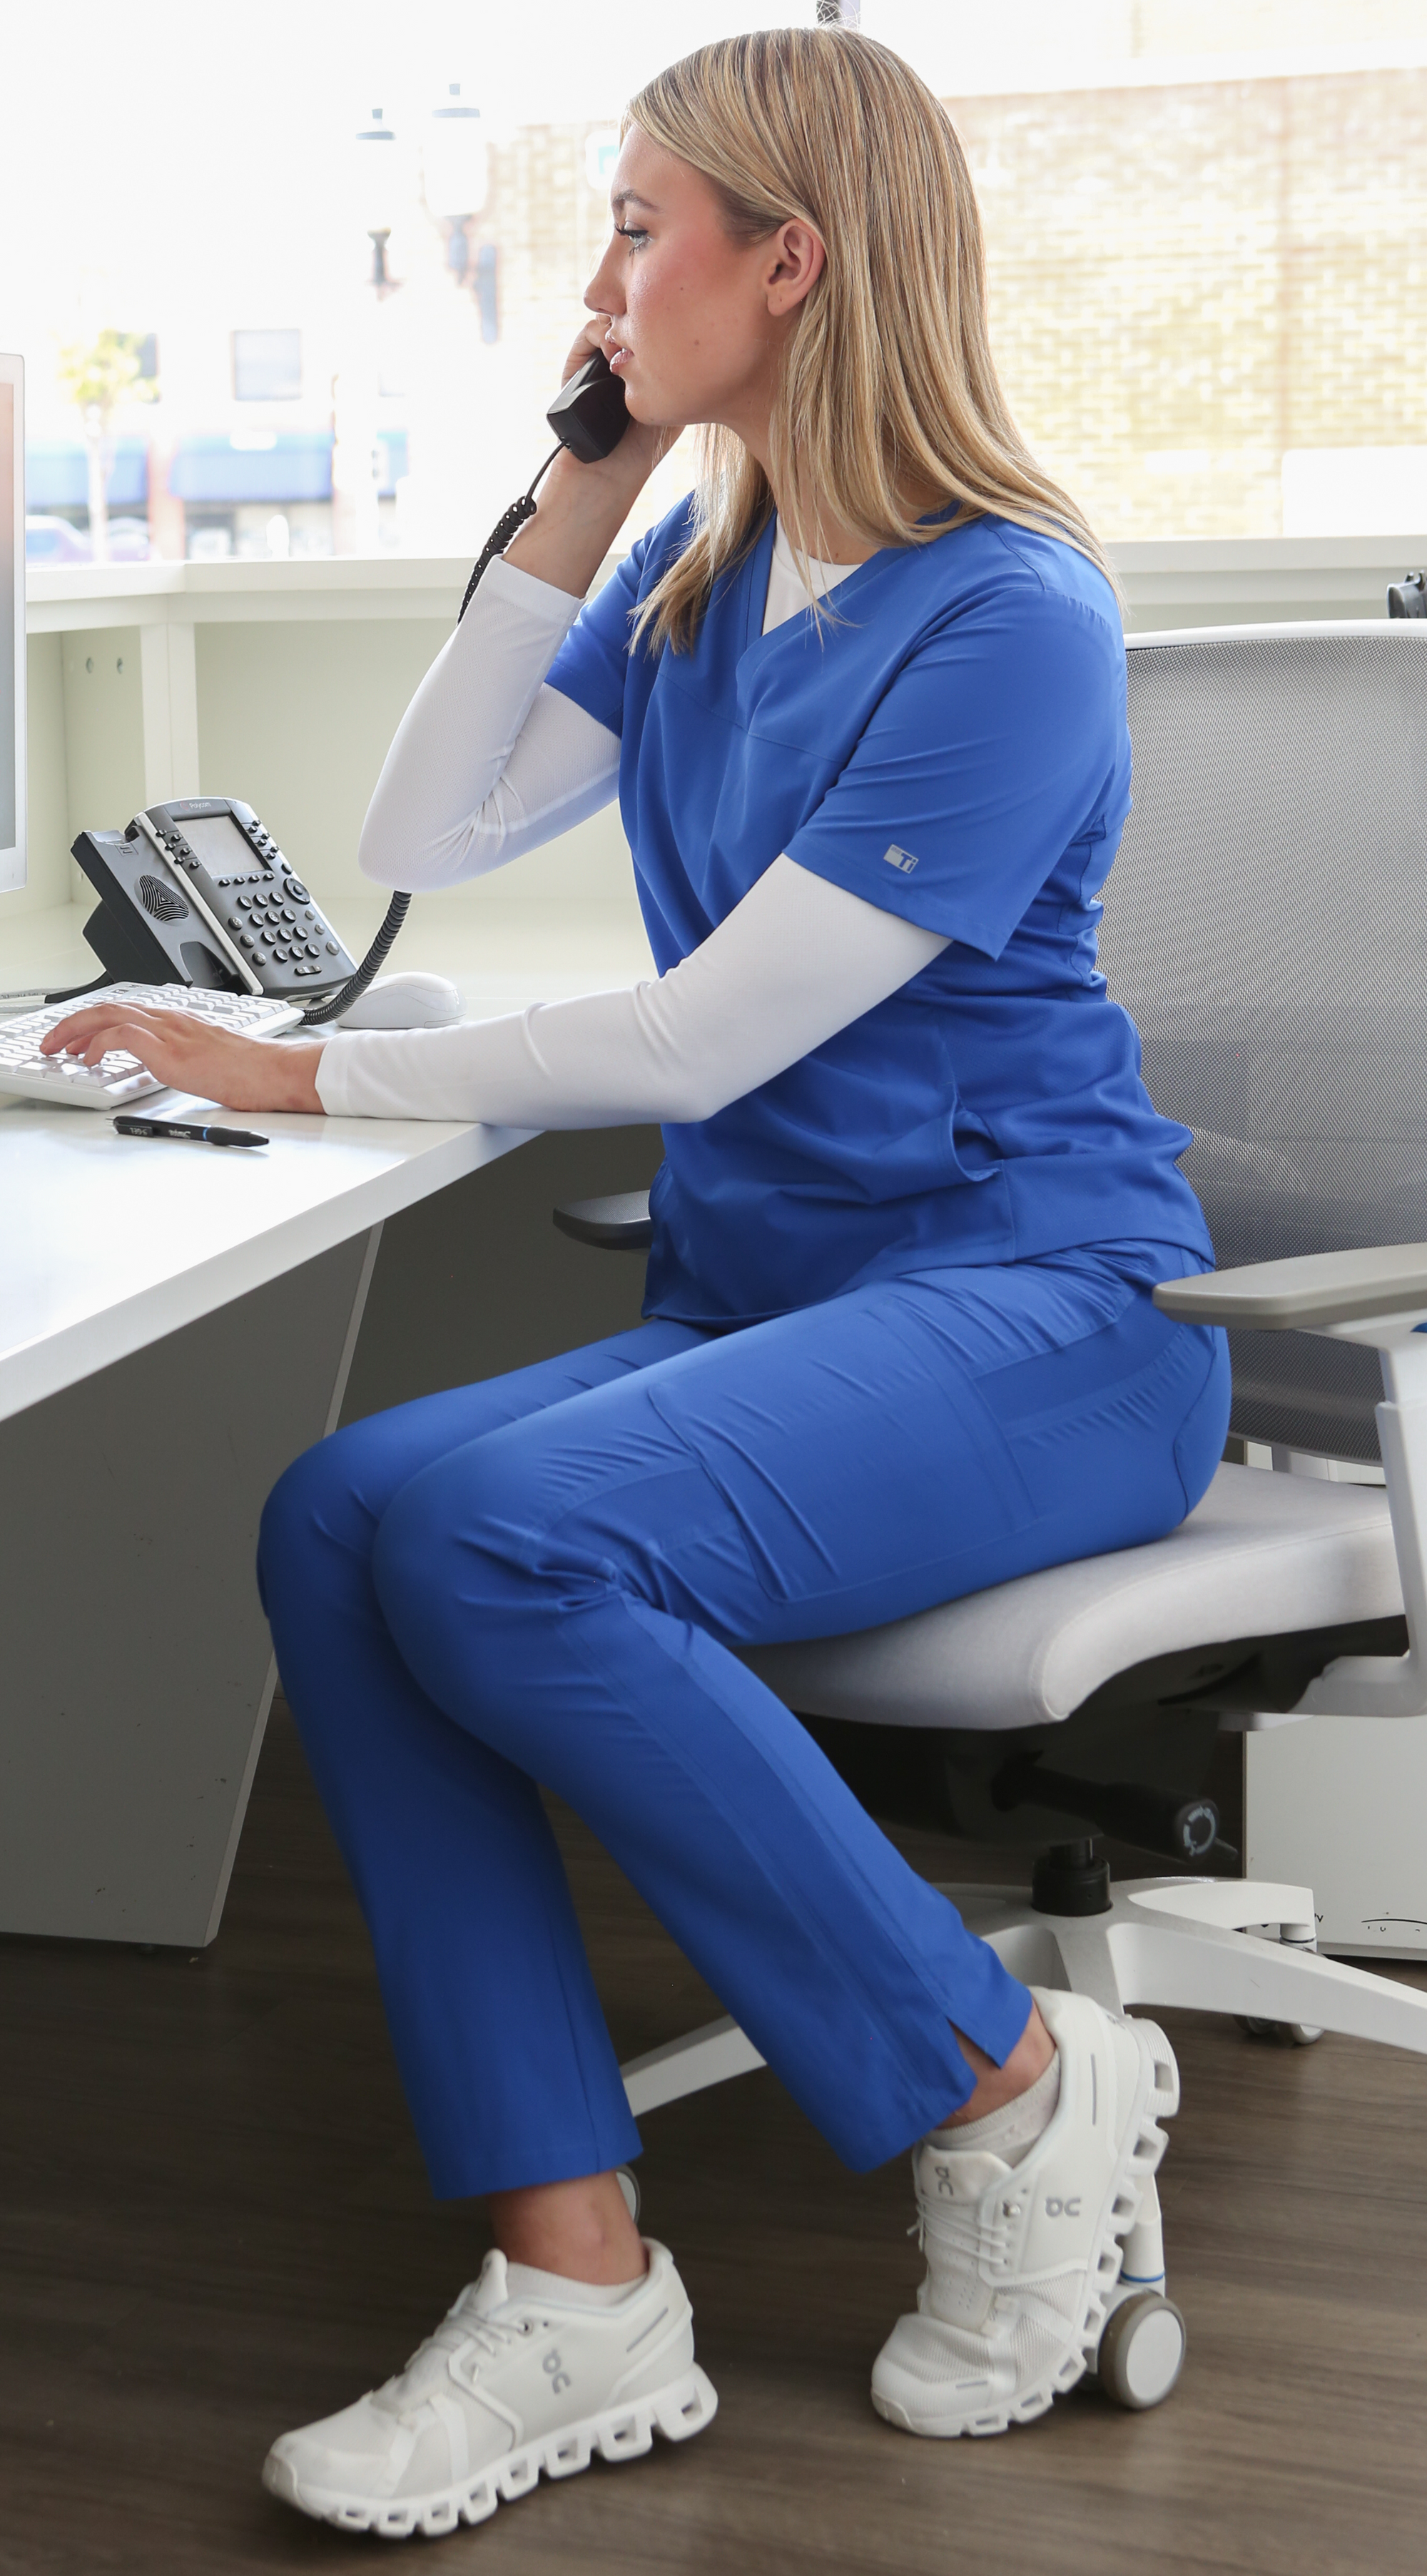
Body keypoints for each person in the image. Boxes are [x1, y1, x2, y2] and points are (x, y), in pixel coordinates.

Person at [45, 25, 1227, 2542]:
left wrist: (290, 1086)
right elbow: (416, 824)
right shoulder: (703, 585)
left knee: (500, 1534)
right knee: (340, 1516)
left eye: (634, 227)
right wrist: (588, 485)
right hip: (780, 1320)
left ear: (787, 264)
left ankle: (1013, 2090)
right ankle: (575, 2284)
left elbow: (706, 1038)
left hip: (1043, 1315)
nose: (596, 279)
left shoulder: (1009, 614)